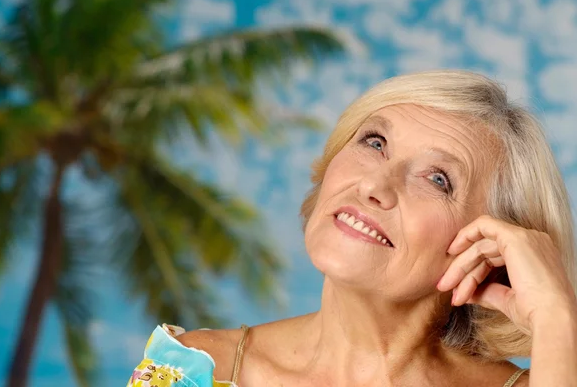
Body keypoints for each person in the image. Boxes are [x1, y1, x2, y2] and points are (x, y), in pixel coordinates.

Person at [126, 70, 577, 387]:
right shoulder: (193, 370)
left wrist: (557, 319)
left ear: (490, 246)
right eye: (374, 142)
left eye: (438, 179)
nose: (374, 184)